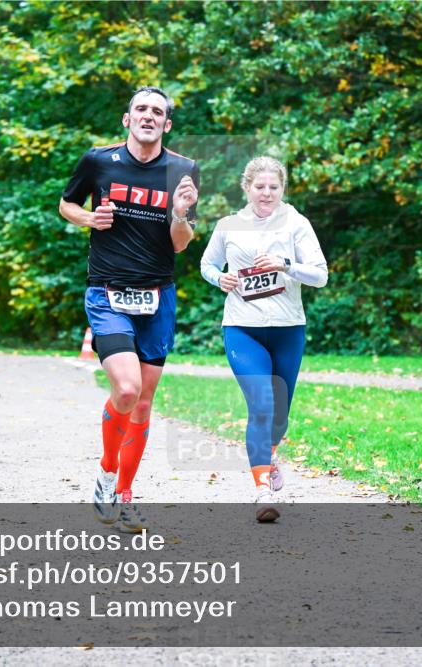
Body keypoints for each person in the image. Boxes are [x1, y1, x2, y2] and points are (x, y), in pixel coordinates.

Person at [58, 86, 199, 533]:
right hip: (107, 292)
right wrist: (88, 219)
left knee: (143, 404)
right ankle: (105, 473)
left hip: (158, 296)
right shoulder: (98, 161)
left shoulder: (183, 170)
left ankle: (123, 496)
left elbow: (181, 243)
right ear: (127, 118)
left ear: (167, 124)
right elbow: (66, 203)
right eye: (141, 108)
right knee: (125, 389)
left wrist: (180, 214)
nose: (149, 116)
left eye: (158, 111)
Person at [200, 157, 327, 522]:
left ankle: (269, 453)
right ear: (247, 188)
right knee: (261, 403)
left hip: (288, 329)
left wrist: (285, 265)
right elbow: (208, 265)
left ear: (282, 188)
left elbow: (320, 276)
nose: (266, 193)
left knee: (279, 418)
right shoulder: (228, 225)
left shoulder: (297, 224)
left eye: (273, 187)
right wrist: (218, 279)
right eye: (260, 187)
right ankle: (261, 491)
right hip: (242, 327)